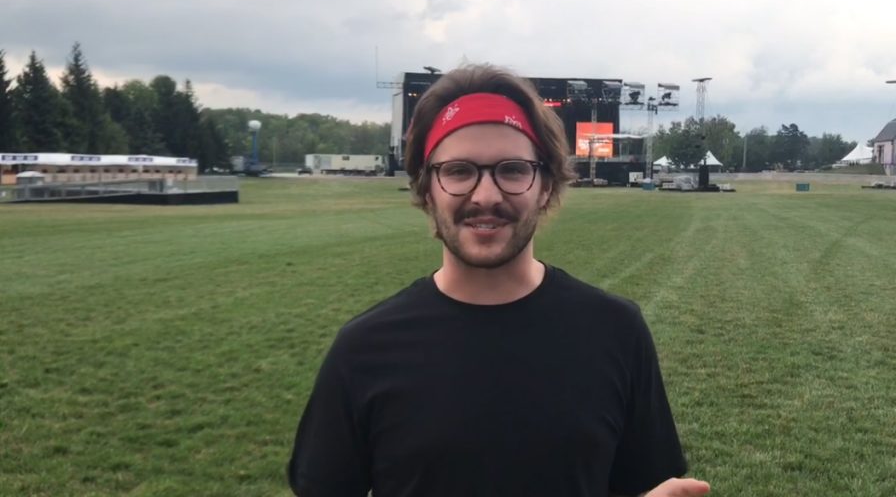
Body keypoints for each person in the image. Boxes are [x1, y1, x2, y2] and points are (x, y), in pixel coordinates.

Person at [288, 64, 710, 497]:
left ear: (545, 186)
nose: (485, 196)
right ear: (425, 188)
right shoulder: (363, 350)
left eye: (512, 169)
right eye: (458, 171)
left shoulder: (617, 332)